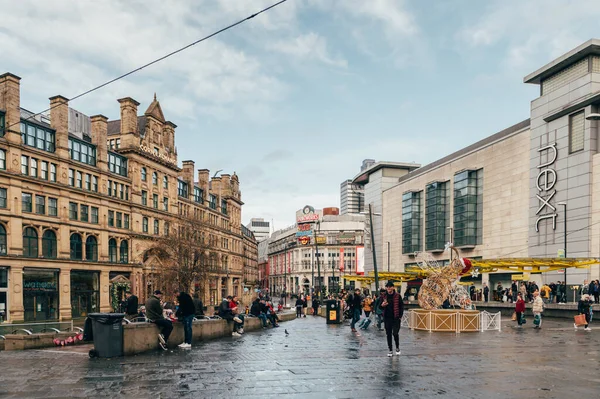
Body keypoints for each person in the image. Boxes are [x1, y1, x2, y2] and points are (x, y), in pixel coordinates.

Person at [381, 281, 403, 357]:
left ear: (393, 287)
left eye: (390, 287)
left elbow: (401, 306)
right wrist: (382, 305)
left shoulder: (397, 296)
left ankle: (397, 347)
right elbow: (379, 306)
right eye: (387, 287)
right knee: (388, 334)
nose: (388, 288)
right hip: (387, 318)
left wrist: (400, 316)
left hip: (395, 318)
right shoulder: (383, 296)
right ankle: (390, 350)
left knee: (395, 333)